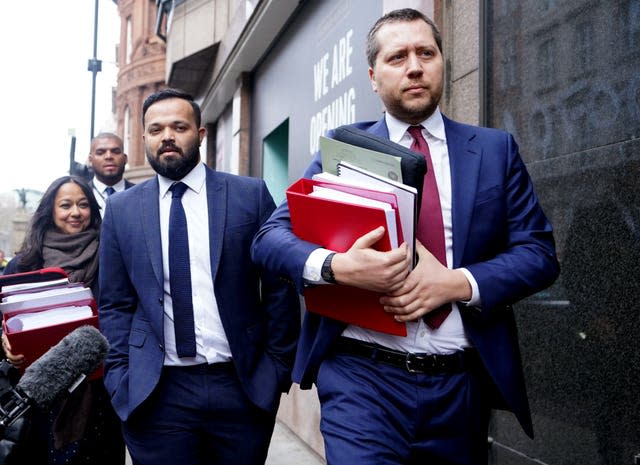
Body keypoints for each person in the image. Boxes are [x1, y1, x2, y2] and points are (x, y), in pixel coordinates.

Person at [251, 8, 560, 465]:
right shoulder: (343, 147)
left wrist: (456, 283)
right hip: (362, 381)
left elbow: (539, 254)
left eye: (426, 53)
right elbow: (270, 239)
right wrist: (337, 267)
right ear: (374, 78)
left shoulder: (495, 150)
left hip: (461, 386)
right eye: (398, 57)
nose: (415, 66)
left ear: (441, 63)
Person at [97, 88, 300, 465]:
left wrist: (276, 369)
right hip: (157, 391)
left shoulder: (249, 195)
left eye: (179, 126)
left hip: (240, 385)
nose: (167, 137)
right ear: (144, 140)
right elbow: (115, 303)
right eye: (156, 129)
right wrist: (121, 378)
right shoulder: (122, 210)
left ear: (200, 134)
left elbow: (279, 287)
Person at [1, 175, 125, 464]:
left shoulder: (112, 256)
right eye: (66, 205)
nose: (75, 212)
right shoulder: (26, 263)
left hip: (99, 395)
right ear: (51, 211)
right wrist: (5, 342)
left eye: (83, 205)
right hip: (38, 397)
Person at [87, 132, 135, 217]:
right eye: (100, 152)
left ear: (125, 159)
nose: (108, 156)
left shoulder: (141, 195)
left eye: (115, 152)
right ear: (90, 160)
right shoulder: (82, 194)